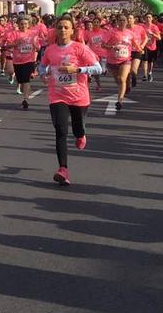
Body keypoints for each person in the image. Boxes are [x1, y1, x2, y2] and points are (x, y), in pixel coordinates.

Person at [37, 14, 103, 186]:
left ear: (72, 30)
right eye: (60, 27)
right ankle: (63, 169)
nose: (63, 30)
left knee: (77, 128)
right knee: (60, 130)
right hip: (57, 95)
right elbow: (42, 65)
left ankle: (81, 134)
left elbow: (98, 68)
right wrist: (43, 73)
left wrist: (77, 69)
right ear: (56, 30)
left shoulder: (80, 48)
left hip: (79, 96)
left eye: (66, 27)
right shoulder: (50, 50)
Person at [103, 13, 135, 111]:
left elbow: (135, 44)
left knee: (121, 79)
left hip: (125, 60)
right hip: (112, 60)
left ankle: (120, 101)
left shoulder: (130, 33)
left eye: (124, 20)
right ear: (117, 22)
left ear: (127, 22)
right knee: (118, 80)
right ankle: (127, 84)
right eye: (120, 20)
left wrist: (140, 48)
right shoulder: (111, 32)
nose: (122, 22)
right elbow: (103, 45)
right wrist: (113, 47)